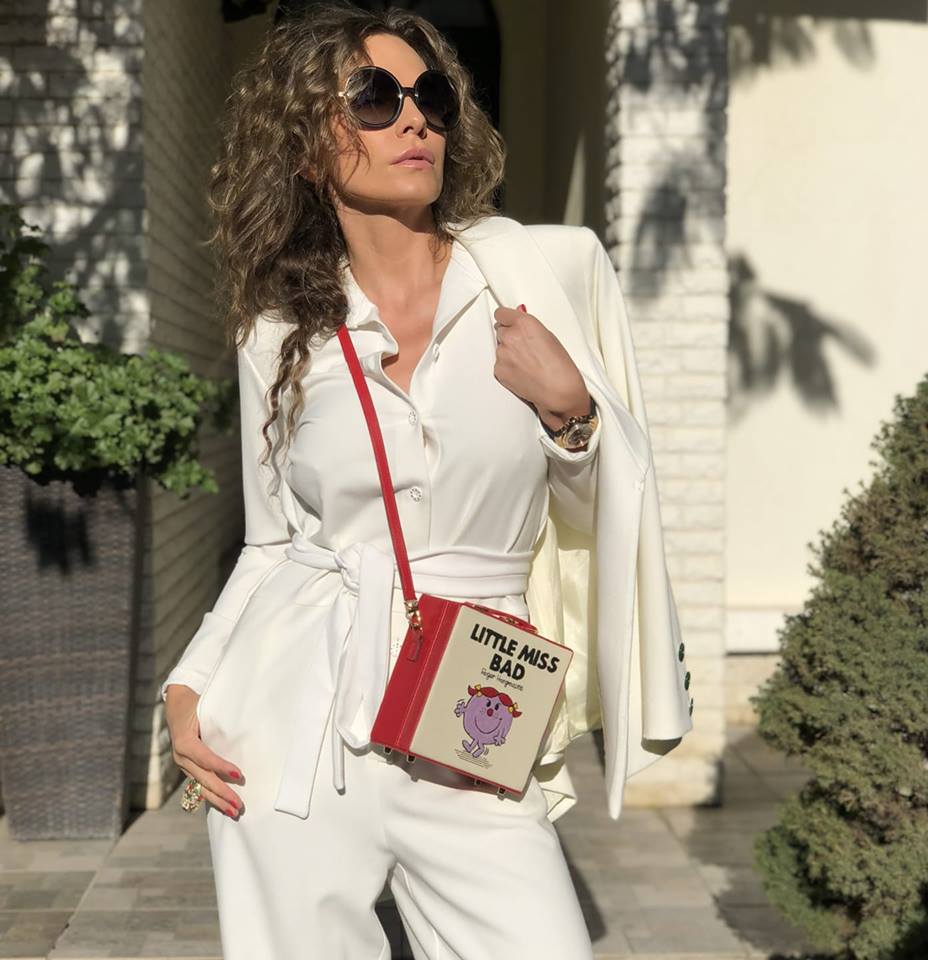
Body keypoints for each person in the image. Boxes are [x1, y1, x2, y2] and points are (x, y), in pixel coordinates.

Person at [160, 3, 693, 958]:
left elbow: (599, 518)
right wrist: (193, 679)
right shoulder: (277, 331)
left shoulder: (534, 277)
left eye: (431, 95)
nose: (414, 118)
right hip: (295, 724)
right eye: (373, 98)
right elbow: (273, 540)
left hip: (471, 711)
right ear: (306, 147)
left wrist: (569, 410)